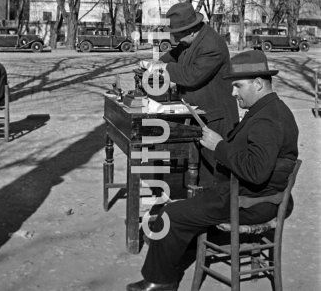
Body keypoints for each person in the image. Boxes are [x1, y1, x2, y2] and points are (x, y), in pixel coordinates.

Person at [127, 50, 299, 291]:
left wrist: (218, 146)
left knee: (170, 215)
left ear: (258, 84)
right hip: (255, 196)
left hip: (250, 202)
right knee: (186, 207)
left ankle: (159, 282)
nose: (233, 92)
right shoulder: (273, 110)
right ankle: (173, 258)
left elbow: (256, 171)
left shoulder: (267, 120)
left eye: (238, 86)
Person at [140, 1, 239, 186]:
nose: (175, 40)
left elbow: (191, 76)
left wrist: (164, 68)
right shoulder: (189, 39)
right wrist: (153, 65)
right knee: (197, 164)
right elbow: (173, 54)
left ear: (191, 30)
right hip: (198, 112)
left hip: (216, 116)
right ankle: (198, 202)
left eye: (177, 35)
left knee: (214, 170)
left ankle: (216, 209)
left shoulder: (212, 45)